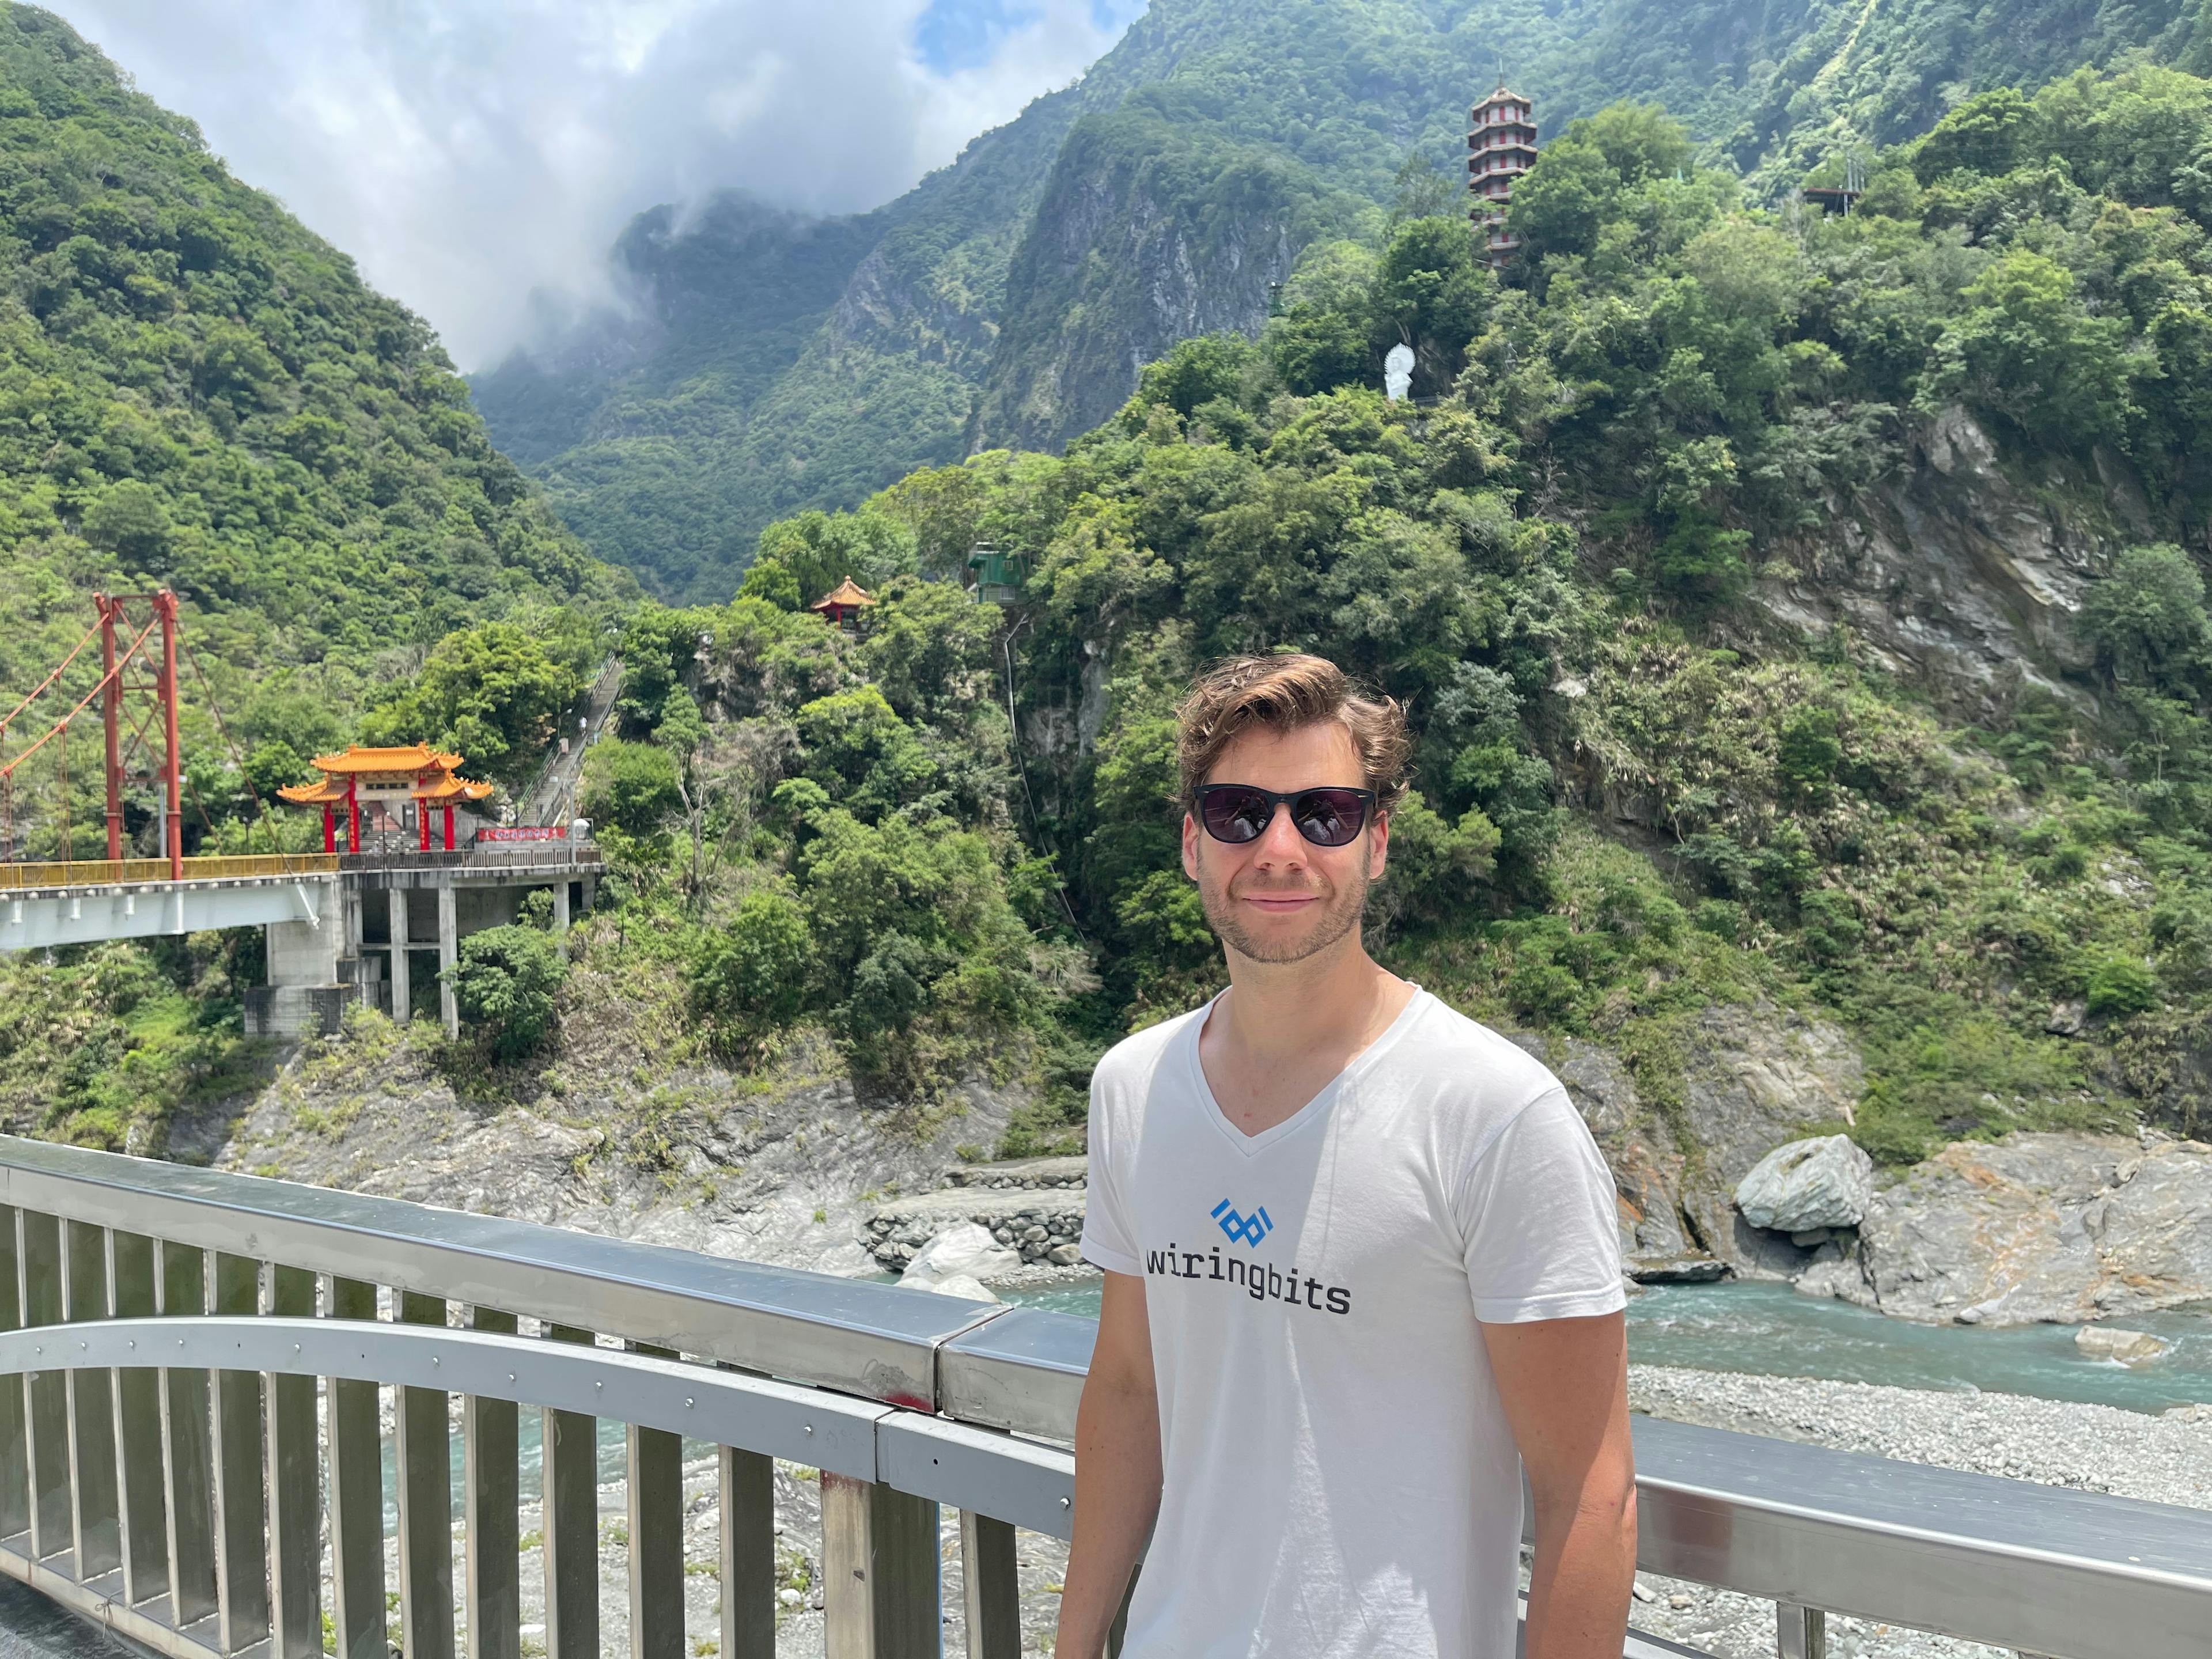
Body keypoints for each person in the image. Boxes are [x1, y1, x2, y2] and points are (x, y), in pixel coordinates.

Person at [1061, 654, 1635, 1659]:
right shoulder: (1133, 1088)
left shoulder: (1494, 1112)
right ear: (1193, 840)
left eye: (1322, 813)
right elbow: (1128, 1388)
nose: (1280, 848)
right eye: (1241, 811)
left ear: (1376, 843)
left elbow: (1589, 1490)